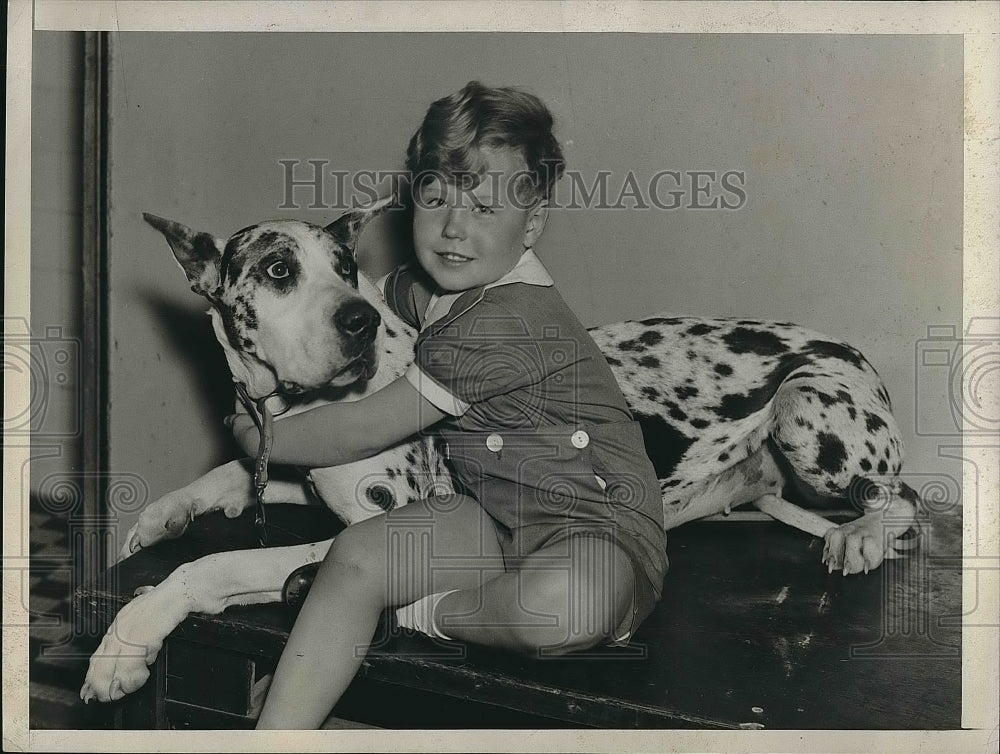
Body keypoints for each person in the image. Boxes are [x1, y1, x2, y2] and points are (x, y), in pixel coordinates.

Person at [232, 81, 669, 729]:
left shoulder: (507, 321)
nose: (454, 228)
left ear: (534, 224)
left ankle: (417, 615)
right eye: (435, 199)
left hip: (595, 527)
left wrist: (262, 439)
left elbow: (363, 429)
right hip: (494, 516)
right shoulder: (446, 288)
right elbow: (392, 290)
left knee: (561, 607)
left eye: (485, 208)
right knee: (358, 555)